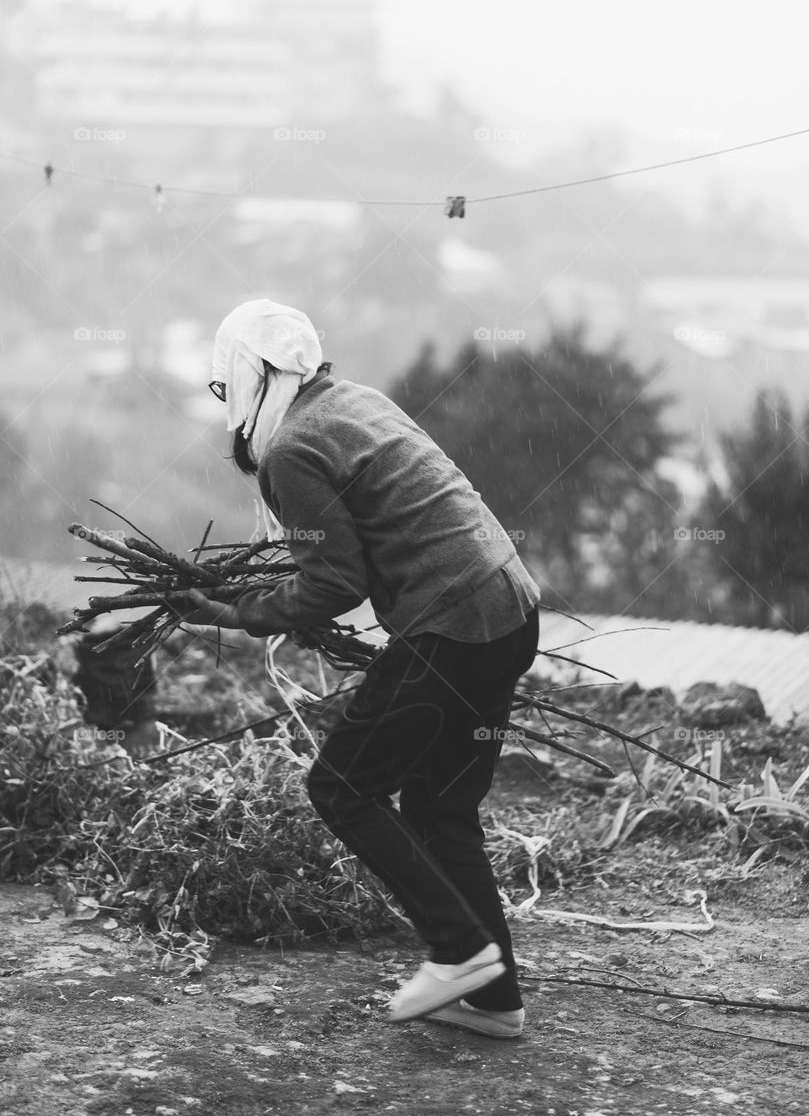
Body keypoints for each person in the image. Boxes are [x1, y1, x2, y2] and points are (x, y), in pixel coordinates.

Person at [179, 298, 541, 1039]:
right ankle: (494, 999)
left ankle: (458, 950)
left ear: (247, 376)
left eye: (225, 387)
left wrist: (237, 612)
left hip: (451, 628)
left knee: (342, 787)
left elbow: (333, 583)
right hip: (506, 611)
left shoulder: (291, 451)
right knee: (439, 810)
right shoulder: (354, 402)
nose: (229, 407)